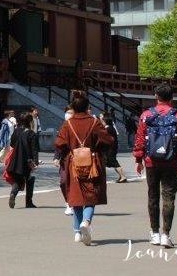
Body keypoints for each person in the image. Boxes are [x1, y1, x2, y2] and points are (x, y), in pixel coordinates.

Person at [133, 84, 177, 248]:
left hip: (151, 161)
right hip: (171, 161)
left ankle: (154, 233)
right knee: (169, 197)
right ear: (172, 98)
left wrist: (138, 160)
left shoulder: (146, 115)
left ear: (156, 96)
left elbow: (140, 138)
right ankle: (166, 234)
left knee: (153, 196)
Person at [54, 89, 112, 245]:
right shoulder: (94, 122)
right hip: (92, 162)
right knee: (91, 195)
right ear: (87, 107)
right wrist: (96, 148)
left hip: (73, 163)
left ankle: (77, 232)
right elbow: (108, 140)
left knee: (76, 197)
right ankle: (86, 222)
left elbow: (59, 143)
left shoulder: (68, 124)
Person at [6, 111, 39, 208]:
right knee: (29, 179)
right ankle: (28, 202)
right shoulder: (32, 134)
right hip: (26, 160)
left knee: (17, 180)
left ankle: (13, 193)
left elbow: (12, 144)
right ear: (30, 122)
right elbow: (34, 150)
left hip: (15, 159)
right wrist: (36, 162)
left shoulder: (17, 131)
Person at [99, 111, 128, 183]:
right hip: (111, 148)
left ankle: (123, 176)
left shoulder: (108, 128)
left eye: (103, 120)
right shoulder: (109, 127)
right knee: (112, 162)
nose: (102, 121)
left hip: (111, 148)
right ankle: (121, 176)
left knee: (114, 162)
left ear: (106, 121)